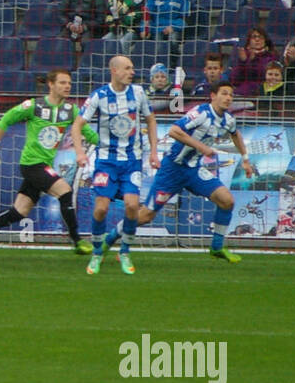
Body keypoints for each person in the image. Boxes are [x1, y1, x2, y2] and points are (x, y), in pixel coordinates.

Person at [103, 80, 257, 262]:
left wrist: (245, 160)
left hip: (194, 171)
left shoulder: (228, 120)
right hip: (172, 170)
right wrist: (201, 146)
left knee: (227, 200)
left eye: (231, 95)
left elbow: (235, 134)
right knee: (146, 216)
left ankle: (216, 247)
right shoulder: (200, 113)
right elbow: (174, 130)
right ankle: (109, 239)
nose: (228, 98)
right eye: (224, 93)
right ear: (213, 96)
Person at [0, 69, 98, 255]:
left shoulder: (71, 111)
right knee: (65, 191)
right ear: (51, 85)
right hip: (32, 164)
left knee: (19, 212)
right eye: (62, 83)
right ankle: (77, 241)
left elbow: (88, 133)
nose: (67, 86)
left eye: (69, 83)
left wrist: (112, 144)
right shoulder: (33, 106)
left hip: (44, 166)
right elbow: (6, 119)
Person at [77, 54, 159, 275]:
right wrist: (79, 152)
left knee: (132, 206)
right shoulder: (99, 95)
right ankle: (96, 253)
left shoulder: (139, 93)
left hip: (132, 161)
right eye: (127, 68)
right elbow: (78, 125)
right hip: (106, 162)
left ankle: (124, 250)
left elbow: (151, 120)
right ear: (114, 71)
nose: (132, 72)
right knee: (101, 208)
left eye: (132, 68)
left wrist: (153, 151)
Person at [229, 25, 278, 96]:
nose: (257, 40)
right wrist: (243, 62)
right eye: (254, 37)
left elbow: (262, 75)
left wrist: (253, 60)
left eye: (260, 37)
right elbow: (234, 80)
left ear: (265, 41)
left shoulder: (271, 56)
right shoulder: (244, 56)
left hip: (261, 91)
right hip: (241, 92)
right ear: (249, 41)